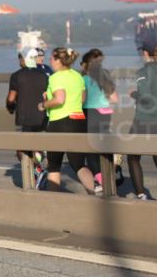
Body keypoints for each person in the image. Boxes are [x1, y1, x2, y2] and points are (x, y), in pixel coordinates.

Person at [39, 47, 96, 194]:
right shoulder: (77, 76)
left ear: (59, 61)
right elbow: (83, 99)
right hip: (79, 120)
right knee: (78, 164)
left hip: (60, 122)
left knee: (54, 165)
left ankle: (53, 200)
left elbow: (59, 99)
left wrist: (44, 104)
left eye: (52, 58)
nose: (49, 60)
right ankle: (93, 195)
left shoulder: (56, 77)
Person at [7, 48, 50, 188]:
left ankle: (38, 170)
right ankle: (40, 155)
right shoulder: (45, 76)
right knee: (36, 142)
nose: (19, 60)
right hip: (43, 116)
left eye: (20, 57)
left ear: (24, 59)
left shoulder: (16, 76)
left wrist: (10, 107)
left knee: (21, 149)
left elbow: (11, 98)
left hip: (26, 118)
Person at [80, 49, 119, 193]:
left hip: (90, 113)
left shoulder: (83, 79)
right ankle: (111, 170)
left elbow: (82, 99)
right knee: (103, 146)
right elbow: (115, 99)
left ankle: (102, 181)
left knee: (90, 149)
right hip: (105, 114)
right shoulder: (105, 77)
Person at [127, 35, 157, 200]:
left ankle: (141, 194)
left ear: (146, 53)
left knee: (132, 156)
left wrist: (133, 93)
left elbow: (146, 97)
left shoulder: (143, 72)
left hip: (144, 120)